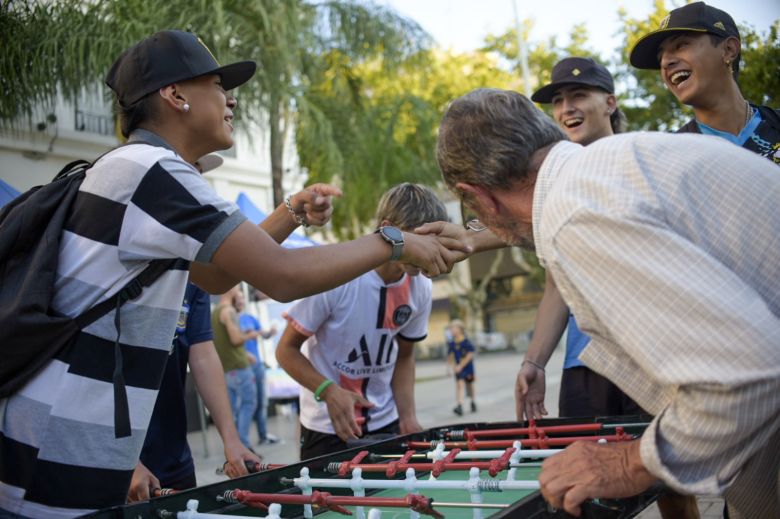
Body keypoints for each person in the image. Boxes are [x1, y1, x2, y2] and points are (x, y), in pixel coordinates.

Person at [0, 30, 467, 518]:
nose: (232, 101)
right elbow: (281, 276)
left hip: (59, 448)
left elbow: (215, 277)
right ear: (175, 95)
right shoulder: (152, 171)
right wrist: (393, 241)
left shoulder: (134, 170)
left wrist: (292, 213)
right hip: (57, 454)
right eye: (218, 86)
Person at [427, 87, 779, 518]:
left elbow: (742, 378)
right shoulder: (606, 166)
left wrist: (631, 462)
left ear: (478, 195)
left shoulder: (574, 213)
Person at [276, 183, 448, 460]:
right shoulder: (337, 274)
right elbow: (285, 351)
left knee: (392, 502)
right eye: (421, 241)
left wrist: (408, 416)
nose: (429, 253)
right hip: (328, 427)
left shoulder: (420, 286)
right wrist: (328, 391)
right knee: (328, 504)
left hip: (384, 423)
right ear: (388, 228)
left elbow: (405, 357)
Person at [516, 57, 642, 422]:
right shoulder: (557, 183)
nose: (566, 108)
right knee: (581, 470)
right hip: (584, 365)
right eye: (558, 101)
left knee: (657, 476)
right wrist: (534, 363)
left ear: (610, 103)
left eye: (579, 95)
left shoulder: (643, 161)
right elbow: (558, 287)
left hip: (650, 359)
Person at [128, 283, 261, 502]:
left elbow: (203, 355)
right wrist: (126, 461)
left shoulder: (194, 274)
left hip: (172, 456)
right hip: (106, 460)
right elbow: (89, 362)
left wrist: (232, 439)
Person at [629, 1, 780, 165]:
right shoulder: (667, 158)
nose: (665, 62)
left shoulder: (775, 123)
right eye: (660, 57)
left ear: (729, 50)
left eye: (681, 45)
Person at [213, 287, 260, 450]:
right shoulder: (228, 311)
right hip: (239, 369)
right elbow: (235, 339)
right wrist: (250, 335)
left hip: (228, 370)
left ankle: (235, 445)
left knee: (233, 409)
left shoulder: (215, 312)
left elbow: (225, 343)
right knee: (248, 404)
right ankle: (244, 445)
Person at [236, 291, 279, 445]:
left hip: (257, 365)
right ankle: (243, 442)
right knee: (246, 404)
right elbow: (233, 341)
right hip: (242, 367)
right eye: (238, 298)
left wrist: (270, 333)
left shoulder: (249, 318)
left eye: (242, 298)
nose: (241, 301)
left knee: (261, 402)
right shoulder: (230, 319)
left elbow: (263, 334)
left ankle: (263, 436)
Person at [445, 319, 477, 416]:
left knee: (469, 385)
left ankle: (472, 401)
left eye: (453, 328)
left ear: (459, 329)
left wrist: (461, 365)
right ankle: (460, 406)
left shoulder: (466, 341)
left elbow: (470, 355)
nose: (451, 330)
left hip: (468, 367)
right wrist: (449, 368)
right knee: (459, 385)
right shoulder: (452, 343)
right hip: (458, 368)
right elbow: (450, 356)